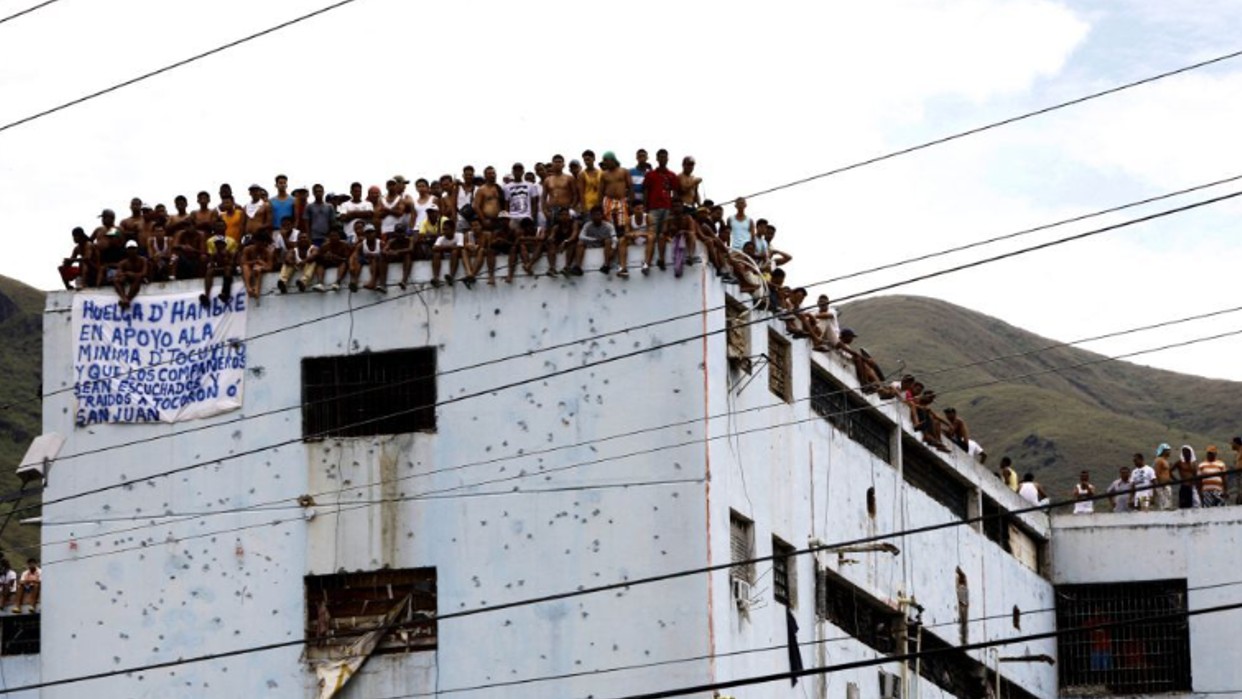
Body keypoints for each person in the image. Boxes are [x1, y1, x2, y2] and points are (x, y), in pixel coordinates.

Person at [643, 149, 680, 268]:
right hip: (653, 208)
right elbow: (646, 191)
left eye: (665, 157)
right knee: (652, 234)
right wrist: (645, 207)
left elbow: (675, 192)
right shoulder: (650, 175)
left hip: (667, 207)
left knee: (663, 233)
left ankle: (662, 259)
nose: (663, 159)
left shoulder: (672, 175)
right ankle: (647, 261)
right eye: (661, 157)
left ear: (667, 159)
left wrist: (673, 209)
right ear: (657, 159)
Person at [573, 206, 617, 276]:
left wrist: (613, 249)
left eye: (598, 215)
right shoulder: (587, 225)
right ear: (591, 216)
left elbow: (614, 239)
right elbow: (581, 236)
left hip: (604, 245)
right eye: (594, 215)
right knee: (580, 243)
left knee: (608, 241)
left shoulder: (609, 225)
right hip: (591, 244)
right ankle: (578, 267)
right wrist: (595, 239)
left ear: (602, 215)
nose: (596, 217)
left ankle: (606, 265)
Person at [201, 223, 238, 306]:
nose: (219, 245)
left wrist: (227, 259)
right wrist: (212, 264)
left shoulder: (230, 245)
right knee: (209, 271)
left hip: (229, 268)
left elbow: (233, 261)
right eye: (217, 244)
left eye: (220, 244)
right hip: (219, 267)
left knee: (228, 269)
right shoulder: (213, 249)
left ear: (224, 244)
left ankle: (225, 293)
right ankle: (206, 295)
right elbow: (211, 261)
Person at [618, 201, 654, 277]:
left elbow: (652, 232)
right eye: (638, 209)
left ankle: (646, 264)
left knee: (651, 237)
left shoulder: (648, 217)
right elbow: (626, 233)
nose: (640, 211)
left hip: (645, 239)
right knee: (621, 240)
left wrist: (640, 234)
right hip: (634, 239)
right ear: (633, 210)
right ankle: (623, 268)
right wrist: (632, 234)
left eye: (642, 209)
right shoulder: (629, 219)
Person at [310, 227, 352, 292]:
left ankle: (337, 282)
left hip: (340, 262)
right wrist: (325, 256)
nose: (333, 238)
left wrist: (337, 257)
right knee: (319, 263)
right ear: (329, 237)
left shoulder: (345, 245)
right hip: (328, 262)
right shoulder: (325, 246)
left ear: (339, 237)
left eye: (335, 236)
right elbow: (319, 257)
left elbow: (347, 258)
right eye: (331, 236)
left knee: (344, 263)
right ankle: (320, 283)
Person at [431, 219, 469, 287]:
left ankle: (451, 275)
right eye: (443, 229)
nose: (444, 231)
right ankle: (436, 277)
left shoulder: (459, 235)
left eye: (446, 229)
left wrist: (443, 248)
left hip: (455, 256)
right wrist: (450, 247)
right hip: (444, 256)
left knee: (454, 252)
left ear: (453, 229)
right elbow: (434, 248)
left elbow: (459, 247)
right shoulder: (441, 238)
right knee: (436, 254)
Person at [240, 232, 276, 303]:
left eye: (263, 243)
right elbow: (243, 263)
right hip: (248, 269)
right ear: (255, 241)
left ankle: (256, 289)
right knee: (245, 267)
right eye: (259, 243)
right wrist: (256, 261)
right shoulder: (247, 249)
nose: (261, 245)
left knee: (258, 268)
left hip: (260, 269)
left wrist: (262, 265)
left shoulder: (268, 252)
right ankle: (248, 288)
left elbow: (270, 267)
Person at [600, 152, 631, 233]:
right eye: (604, 161)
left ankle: (622, 241)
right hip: (608, 200)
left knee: (622, 222)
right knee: (609, 223)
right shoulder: (604, 174)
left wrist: (631, 202)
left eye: (606, 160)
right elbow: (601, 191)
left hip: (621, 200)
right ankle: (612, 242)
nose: (605, 162)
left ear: (612, 160)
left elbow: (630, 187)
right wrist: (599, 204)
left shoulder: (624, 171)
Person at [543, 155, 578, 225]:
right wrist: (545, 211)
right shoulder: (548, 180)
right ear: (552, 164)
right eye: (555, 162)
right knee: (551, 231)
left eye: (559, 162)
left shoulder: (569, 178)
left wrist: (571, 208)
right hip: (552, 209)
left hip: (566, 209)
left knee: (566, 231)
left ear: (563, 164)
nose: (557, 164)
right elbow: (544, 197)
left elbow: (575, 195)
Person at [543, 207, 579, 277]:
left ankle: (567, 267)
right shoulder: (556, 227)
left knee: (572, 244)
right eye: (562, 215)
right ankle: (552, 268)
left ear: (569, 216)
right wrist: (550, 239)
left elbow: (574, 236)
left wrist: (566, 241)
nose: (564, 217)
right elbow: (551, 236)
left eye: (566, 215)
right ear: (559, 217)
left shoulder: (574, 224)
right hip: (559, 245)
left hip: (570, 244)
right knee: (550, 245)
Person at [350, 224, 386, 292]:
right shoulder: (361, 245)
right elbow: (354, 255)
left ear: (375, 233)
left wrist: (374, 256)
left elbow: (385, 254)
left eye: (371, 232)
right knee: (358, 261)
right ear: (365, 234)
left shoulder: (380, 243)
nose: (369, 234)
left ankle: (372, 282)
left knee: (374, 260)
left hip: (377, 262)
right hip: (366, 260)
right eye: (367, 233)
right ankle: (355, 281)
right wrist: (351, 265)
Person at [113, 240, 148, 309]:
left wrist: (134, 274)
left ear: (137, 249)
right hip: (128, 278)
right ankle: (124, 298)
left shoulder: (143, 260)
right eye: (130, 249)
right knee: (116, 280)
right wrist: (126, 274)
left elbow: (144, 273)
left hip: (140, 279)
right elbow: (118, 274)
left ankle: (127, 299)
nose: (132, 251)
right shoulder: (123, 263)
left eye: (133, 248)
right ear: (127, 250)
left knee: (138, 278)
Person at [383, 223, 415, 290]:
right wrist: (390, 252)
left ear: (405, 233)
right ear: (395, 233)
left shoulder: (409, 240)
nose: (399, 234)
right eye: (398, 232)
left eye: (401, 232)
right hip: (394, 257)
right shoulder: (391, 241)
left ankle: (404, 281)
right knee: (382, 258)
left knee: (408, 256)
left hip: (404, 257)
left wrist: (398, 251)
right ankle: (382, 283)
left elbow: (410, 249)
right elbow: (384, 250)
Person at [1153, 443, 1174, 511]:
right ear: (1163, 451)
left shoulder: (1166, 461)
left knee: (1168, 505)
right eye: (1168, 450)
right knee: (1162, 506)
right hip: (1161, 486)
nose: (1169, 452)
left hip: (1166, 485)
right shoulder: (1159, 460)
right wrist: (1160, 484)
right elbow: (1157, 473)